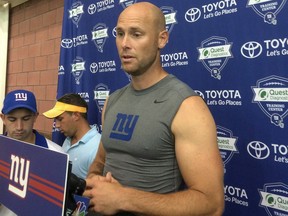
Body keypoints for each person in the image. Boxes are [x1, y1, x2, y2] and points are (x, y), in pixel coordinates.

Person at [83, 2, 224, 216]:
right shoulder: (113, 100)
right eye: (120, 34)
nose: (124, 44)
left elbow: (211, 204)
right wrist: (94, 180)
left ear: (162, 39)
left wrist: (124, 199)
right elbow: (100, 161)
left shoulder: (186, 106)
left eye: (136, 34)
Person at [0, 89, 64, 216]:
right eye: (12, 119)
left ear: (35, 116)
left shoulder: (56, 155)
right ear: (3, 118)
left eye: (26, 118)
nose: (19, 127)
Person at [43, 93, 101, 179]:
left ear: (76, 115)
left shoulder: (97, 147)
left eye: (60, 119)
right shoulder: (68, 139)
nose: (57, 125)